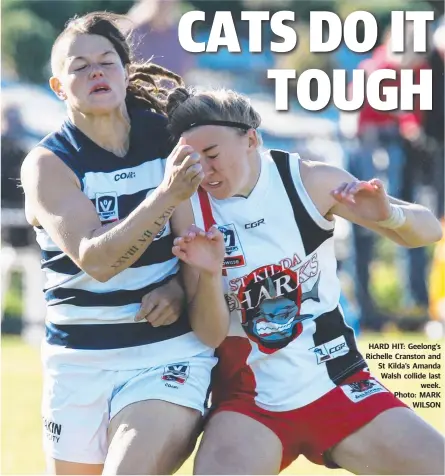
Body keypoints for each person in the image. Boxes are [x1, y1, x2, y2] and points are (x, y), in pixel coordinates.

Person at [165, 87, 444, 475]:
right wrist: (211, 275)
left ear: (251, 138)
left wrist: (388, 215)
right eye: (193, 161)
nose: (205, 172)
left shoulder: (309, 180)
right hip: (250, 404)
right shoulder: (188, 205)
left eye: (212, 155)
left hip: (337, 382)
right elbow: (210, 334)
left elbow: (428, 230)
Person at [20, 12, 228, 475]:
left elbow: (198, 239)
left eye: (106, 61)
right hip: (77, 364)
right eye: (79, 67)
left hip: (165, 355)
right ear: (59, 87)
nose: (95, 72)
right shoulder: (48, 165)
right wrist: (165, 195)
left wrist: (179, 287)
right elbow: (97, 260)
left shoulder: (168, 138)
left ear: (124, 71)